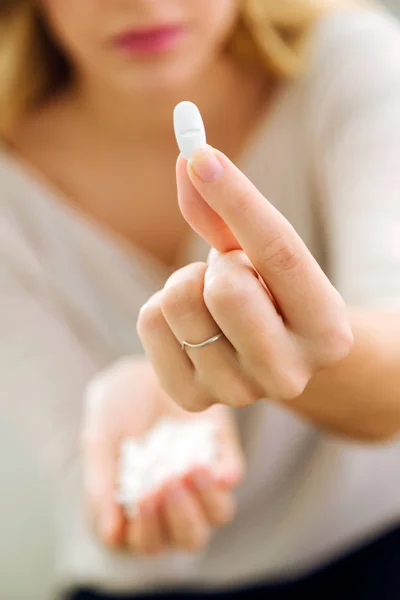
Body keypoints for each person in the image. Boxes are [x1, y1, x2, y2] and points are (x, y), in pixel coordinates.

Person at [0, 0, 400, 599]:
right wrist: (131, 484)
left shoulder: (348, 61)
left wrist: (263, 352)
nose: (146, 5)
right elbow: (95, 501)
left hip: (373, 550)